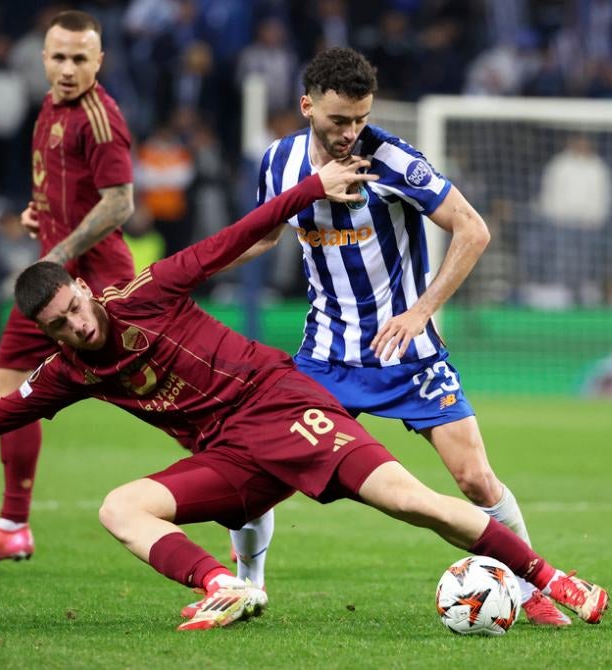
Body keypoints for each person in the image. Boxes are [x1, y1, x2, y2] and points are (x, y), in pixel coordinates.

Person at [0, 161, 609, 632]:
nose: (77, 325)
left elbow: (237, 234)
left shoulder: (146, 291)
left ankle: (554, 580)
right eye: (60, 325)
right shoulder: (69, 372)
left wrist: (313, 187)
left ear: (83, 290)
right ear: (48, 332)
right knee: (119, 507)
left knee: (415, 502)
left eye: (75, 307)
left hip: (283, 408)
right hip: (228, 456)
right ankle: (223, 585)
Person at [219, 47, 571, 627]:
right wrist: (191, 272)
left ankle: (532, 590)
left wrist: (420, 312)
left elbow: (473, 229)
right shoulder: (278, 161)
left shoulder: (394, 161)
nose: (350, 133)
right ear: (307, 106)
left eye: (360, 119)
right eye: (339, 120)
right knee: (257, 470)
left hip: (409, 354)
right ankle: (246, 587)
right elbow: (263, 234)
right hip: (327, 358)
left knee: (475, 478)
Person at [0, 10, 137, 568]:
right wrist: (40, 215)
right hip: (54, 280)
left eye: (81, 58)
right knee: (8, 389)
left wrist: (58, 251)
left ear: (99, 61)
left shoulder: (101, 118)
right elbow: (64, 187)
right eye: (59, 57)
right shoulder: (50, 107)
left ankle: (242, 485)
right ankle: (13, 527)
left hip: (96, 282)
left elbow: (120, 203)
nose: (68, 68)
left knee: (158, 395)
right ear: (43, 58)